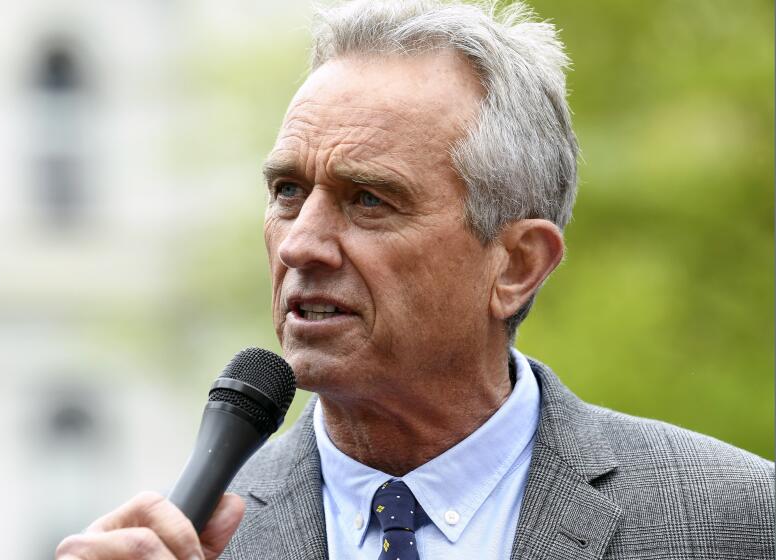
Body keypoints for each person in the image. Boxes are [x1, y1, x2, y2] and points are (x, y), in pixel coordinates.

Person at [56, 1, 774, 559]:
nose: (302, 242)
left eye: (369, 199)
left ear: (517, 264)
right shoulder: (194, 540)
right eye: (285, 192)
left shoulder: (735, 521)